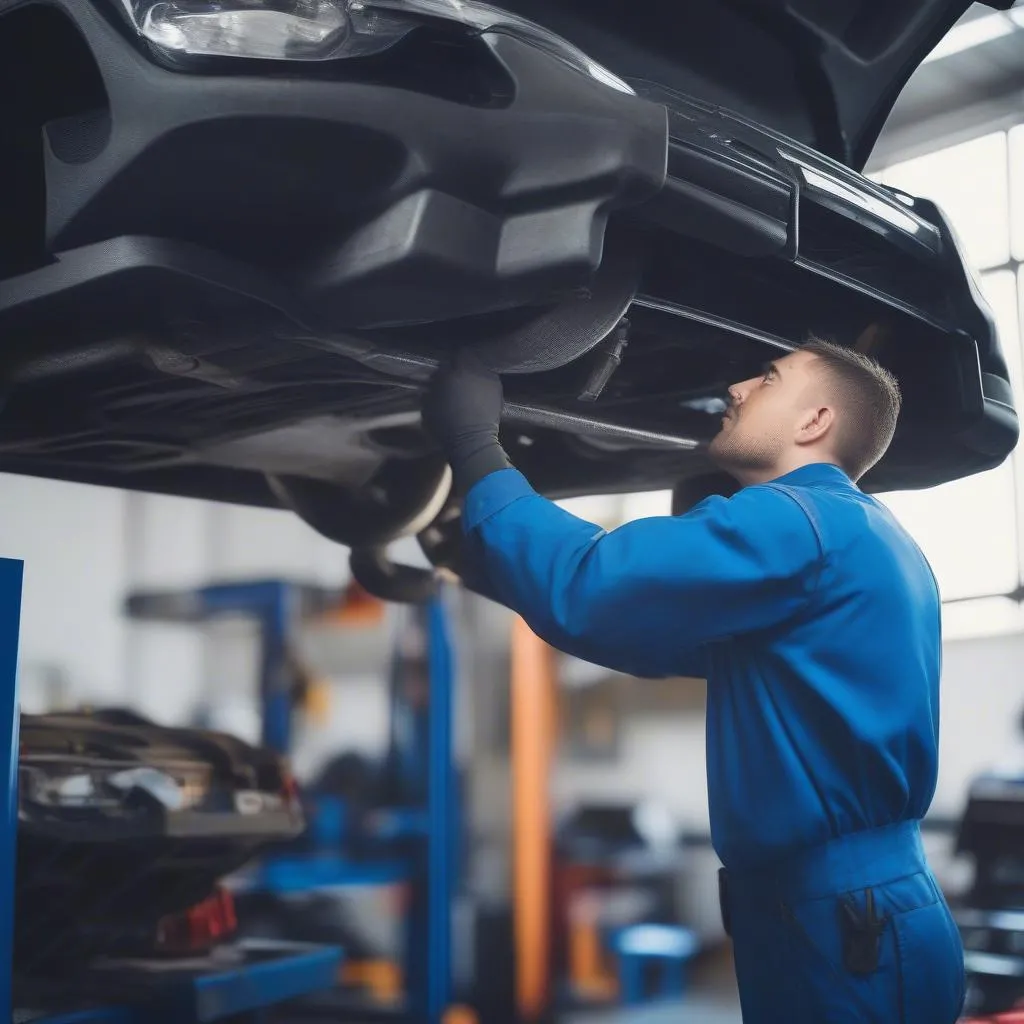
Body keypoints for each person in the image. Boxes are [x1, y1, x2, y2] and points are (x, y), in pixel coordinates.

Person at [422, 339, 966, 1024]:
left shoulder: (798, 520)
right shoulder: (860, 535)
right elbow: (656, 637)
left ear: (814, 422)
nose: (736, 387)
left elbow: (596, 584)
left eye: (768, 378)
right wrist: (481, 569)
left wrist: (476, 446)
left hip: (843, 923)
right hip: (853, 913)